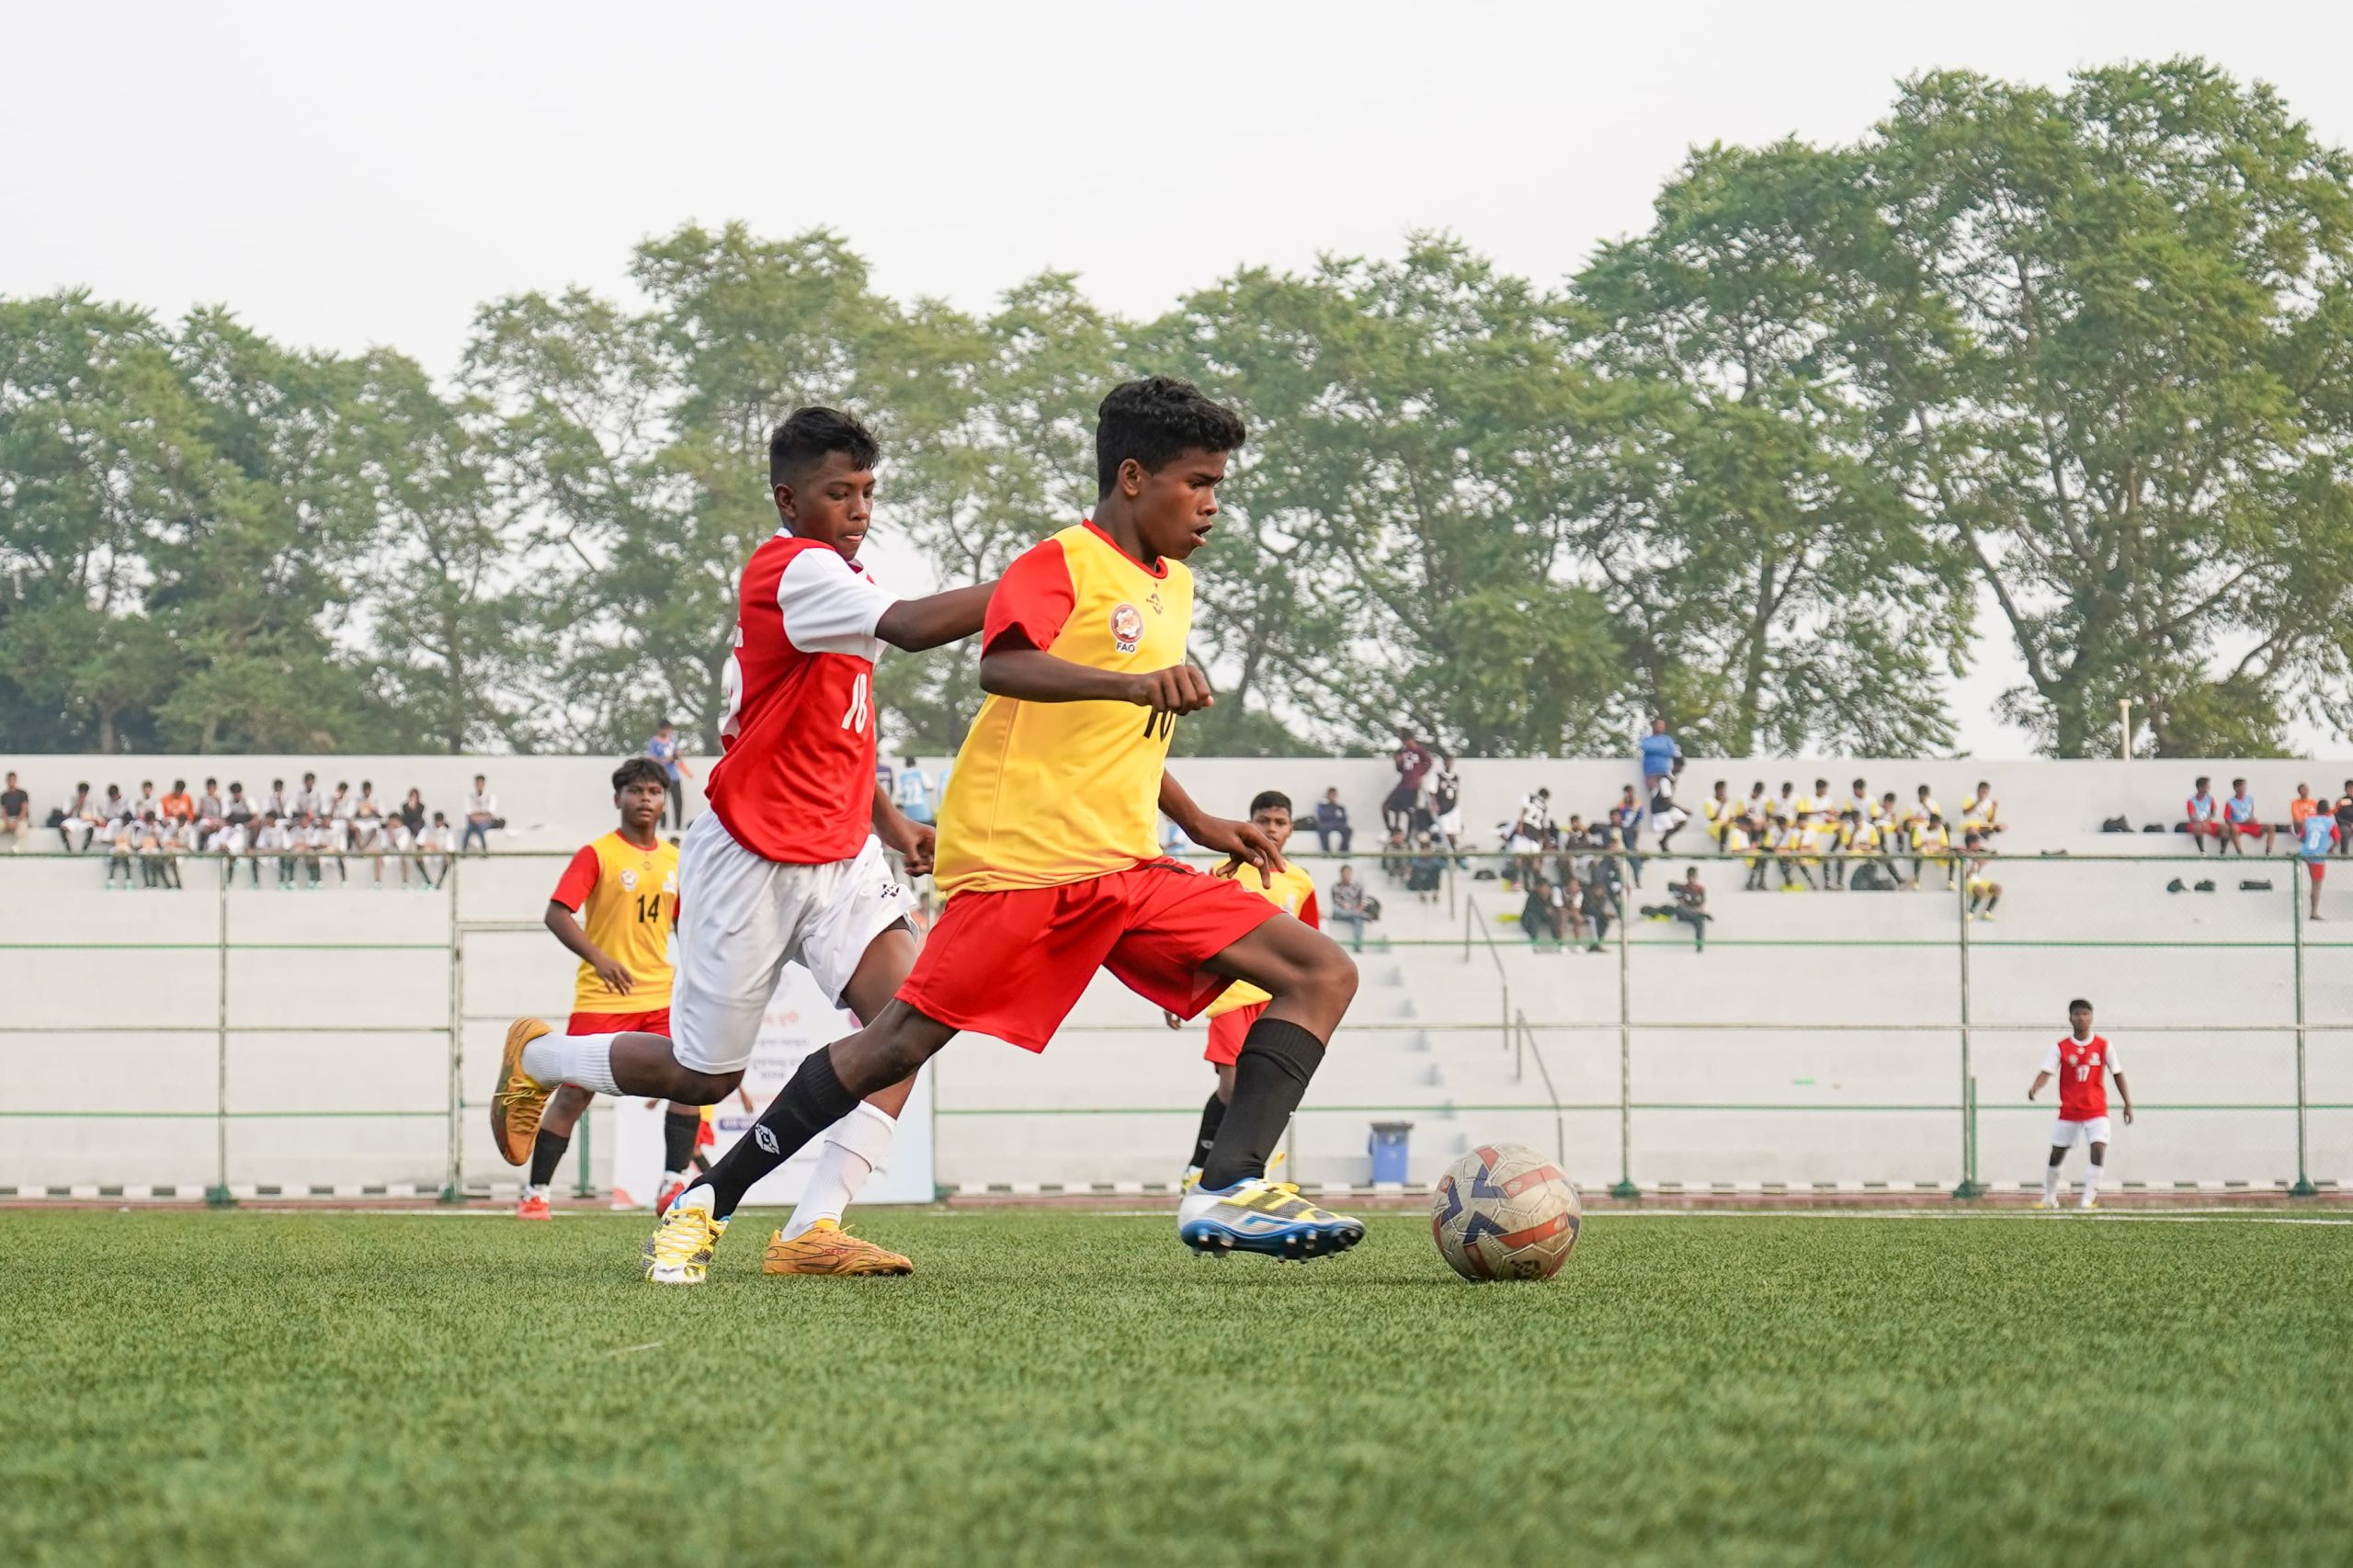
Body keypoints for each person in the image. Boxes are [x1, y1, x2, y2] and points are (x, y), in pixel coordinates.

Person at [635, 377, 1364, 1281]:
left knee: (1320, 969)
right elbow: (1003, 663)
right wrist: (1138, 683)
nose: (1212, 504)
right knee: (895, 1043)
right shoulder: (1061, 561)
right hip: (1020, 864)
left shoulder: (1170, 582)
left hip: (1123, 861)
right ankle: (707, 1200)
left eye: (1219, 483)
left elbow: (1119, 732)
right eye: (1198, 481)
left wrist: (1197, 817)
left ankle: (1228, 1184)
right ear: (1133, 477)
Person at [494, 405, 993, 1279]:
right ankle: (539, 1057)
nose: (860, 510)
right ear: (787, 499)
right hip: (751, 857)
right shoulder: (792, 570)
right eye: (839, 493)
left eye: (869, 492)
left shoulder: (839, 580)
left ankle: (812, 1227)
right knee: (701, 1079)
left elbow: (824, 731)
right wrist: (1055, 575)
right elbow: (914, 627)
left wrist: (890, 821)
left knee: (912, 1021)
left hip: (839, 857)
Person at [520, 759, 687, 1220]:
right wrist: (600, 957)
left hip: (659, 995)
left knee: (691, 1081)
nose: (646, 799)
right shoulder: (597, 854)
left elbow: (684, 924)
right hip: (602, 996)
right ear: (619, 799)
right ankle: (535, 1193)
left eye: (654, 791)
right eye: (636, 791)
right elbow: (557, 913)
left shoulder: (676, 860)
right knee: (574, 1093)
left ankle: (673, 1186)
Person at [1161, 790, 1321, 1184]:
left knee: (1263, 1089)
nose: (1271, 829)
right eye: (1264, 821)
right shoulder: (1222, 872)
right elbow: (1196, 936)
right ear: (1250, 824)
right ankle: (1202, 1163)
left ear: (1290, 829)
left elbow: (1312, 944)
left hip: (1277, 1001)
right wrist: (1176, 987)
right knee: (1232, 1087)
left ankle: (1237, 1173)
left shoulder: (1301, 883)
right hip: (1231, 996)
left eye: (1279, 823)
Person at [2029, 999, 2134, 1211]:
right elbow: (2046, 1071)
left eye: (2085, 1014)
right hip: (2069, 1110)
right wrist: (2035, 1087)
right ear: (2070, 1018)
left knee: (2098, 1148)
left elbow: (2117, 1074)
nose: (2081, 1018)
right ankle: (2050, 1198)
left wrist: (2127, 1103)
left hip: (2096, 1110)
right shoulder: (2061, 1047)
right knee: (2056, 1153)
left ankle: (2088, 1199)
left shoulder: (2104, 1046)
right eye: (2077, 1014)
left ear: (2091, 1018)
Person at [1641, 866, 1708, 950]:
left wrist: (1697, 911)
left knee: (1699, 921)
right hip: (1684, 913)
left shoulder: (1700, 889)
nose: (1692, 879)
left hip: (1694, 914)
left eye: (1693, 876)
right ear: (1687, 877)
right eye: (1690, 876)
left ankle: (1699, 946)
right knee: (1680, 909)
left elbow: (1701, 904)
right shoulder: (1683, 888)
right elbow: (1681, 903)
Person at [646, 722, 694, 830]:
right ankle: (663, 826)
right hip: (660, 777)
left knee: (678, 802)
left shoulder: (673, 741)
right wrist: (668, 758)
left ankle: (678, 826)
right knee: (661, 803)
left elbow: (678, 758)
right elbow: (654, 759)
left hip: (674, 777)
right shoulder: (654, 742)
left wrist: (687, 772)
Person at [1384, 727, 1433, 833]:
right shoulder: (1402, 751)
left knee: (1410, 811)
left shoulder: (1419, 751)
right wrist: (1398, 762)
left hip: (1413, 786)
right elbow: (1401, 770)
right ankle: (1392, 831)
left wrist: (1419, 774)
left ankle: (1409, 837)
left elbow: (1429, 763)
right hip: (1403, 784)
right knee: (1387, 807)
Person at [2297, 804, 2338, 921]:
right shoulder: (2330, 822)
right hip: (2318, 856)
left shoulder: (2309, 820)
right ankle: (2314, 912)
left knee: (2301, 881)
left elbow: (2301, 838)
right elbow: (2337, 839)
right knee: (2316, 885)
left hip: (2304, 853)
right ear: (2327, 811)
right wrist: (2330, 849)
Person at [2220, 778, 2274, 857]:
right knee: (2234, 828)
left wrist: (2252, 819)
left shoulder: (2250, 799)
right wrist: (2243, 822)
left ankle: (2268, 851)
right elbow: (2227, 819)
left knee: (2271, 827)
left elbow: (2250, 813)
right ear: (2236, 788)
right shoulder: (2230, 802)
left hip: (2250, 825)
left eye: (2245, 787)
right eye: (2242, 787)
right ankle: (2239, 852)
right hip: (2239, 825)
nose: (2244, 789)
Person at [1327, 864, 1374, 949]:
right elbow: (1336, 901)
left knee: (1358, 919)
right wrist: (1344, 905)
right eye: (1345, 873)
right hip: (1340, 912)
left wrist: (1356, 907)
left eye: (1349, 873)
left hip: (1353, 911)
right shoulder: (1335, 887)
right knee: (1338, 910)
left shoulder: (1357, 886)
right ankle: (1360, 915)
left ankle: (1357, 945)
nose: (1347, 875)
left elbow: (1362, 900)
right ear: (1341, 874)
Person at [1962, 834, 2001, 921]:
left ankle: (1988, 912)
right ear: (1971, 844)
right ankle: (1971, 912)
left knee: (1997, 888)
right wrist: (1974, 865)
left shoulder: (1978, 854)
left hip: (1978, 880)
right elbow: (1966, 875)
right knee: (1981, 890)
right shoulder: (1964, 856)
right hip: (1967, 882)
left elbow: (1986, 860)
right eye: (1977, 843)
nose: (1979, 845)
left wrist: (1983, 861)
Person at [1639, 718, 1678, 801]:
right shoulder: (1647, 739)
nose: (1661, 727)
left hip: (1665, 772)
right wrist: (1663, 749)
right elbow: (1646, 747)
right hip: (1651, 772)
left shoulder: (1667, 739)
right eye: (1659, 725)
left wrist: (1655, 750)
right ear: (1654, 726)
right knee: (1654, 795)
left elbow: (1671, 751)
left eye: (1663, 726)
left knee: (1667, 794)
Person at [2183, 777, 2222, 853]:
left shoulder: (2210, 799)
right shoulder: (2191, 801)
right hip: (2196, 823)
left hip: (2207, 823)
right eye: (2207, 787)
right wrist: (2202, 823)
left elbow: (2213, 813)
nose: (2209, 788)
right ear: (2200, 787)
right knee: (2198, 827)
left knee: (2225, 828)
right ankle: (2202, 851)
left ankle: (2222, 852)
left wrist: (2207, 820)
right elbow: (2192, 817)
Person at [892, 756, 935, 826]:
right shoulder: (921, 773)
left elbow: (899, 793)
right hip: (923, 812)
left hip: (909, 813)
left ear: (905, 764)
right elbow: (930, 787)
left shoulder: (901, 776)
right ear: (915, 763)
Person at [461, 775, 497, 854]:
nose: (479, 786)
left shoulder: (490, 796)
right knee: (469, 828)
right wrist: (479, 816)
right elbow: (468, 814)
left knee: (479, 827)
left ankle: (484, 849)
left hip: (486, 823)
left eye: (480, 783)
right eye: (477, 783)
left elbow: (490, 814)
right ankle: (464, 849)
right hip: (473, 822)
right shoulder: (469, 796)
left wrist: (479, 817)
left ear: (484, 784)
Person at [1313, 788, 1353, 855]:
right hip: (1327, 824)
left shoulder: (1340, 807)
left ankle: (1343, 851)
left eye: (1334, 795)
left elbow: (1344, 818)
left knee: (1348, 830)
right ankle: (1326, 851)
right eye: (1331, 795)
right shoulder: (1322, 806)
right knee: (1322, 829)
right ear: (1328, 795)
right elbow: (1322, 816)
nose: (1332, 797)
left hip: (1338, 825)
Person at [0, 771, 27, 852]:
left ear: (16, 781)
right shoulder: (4, 795)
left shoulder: (22, 794)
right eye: (9, 780)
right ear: (7, 781)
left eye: (13, 780)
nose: (11, 782)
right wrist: (8, 822)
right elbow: (3, 811)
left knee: (22, 829)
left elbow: (24, 810)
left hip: (19, 819)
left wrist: (16, 822)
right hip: (8, 820)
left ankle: (17, 848)